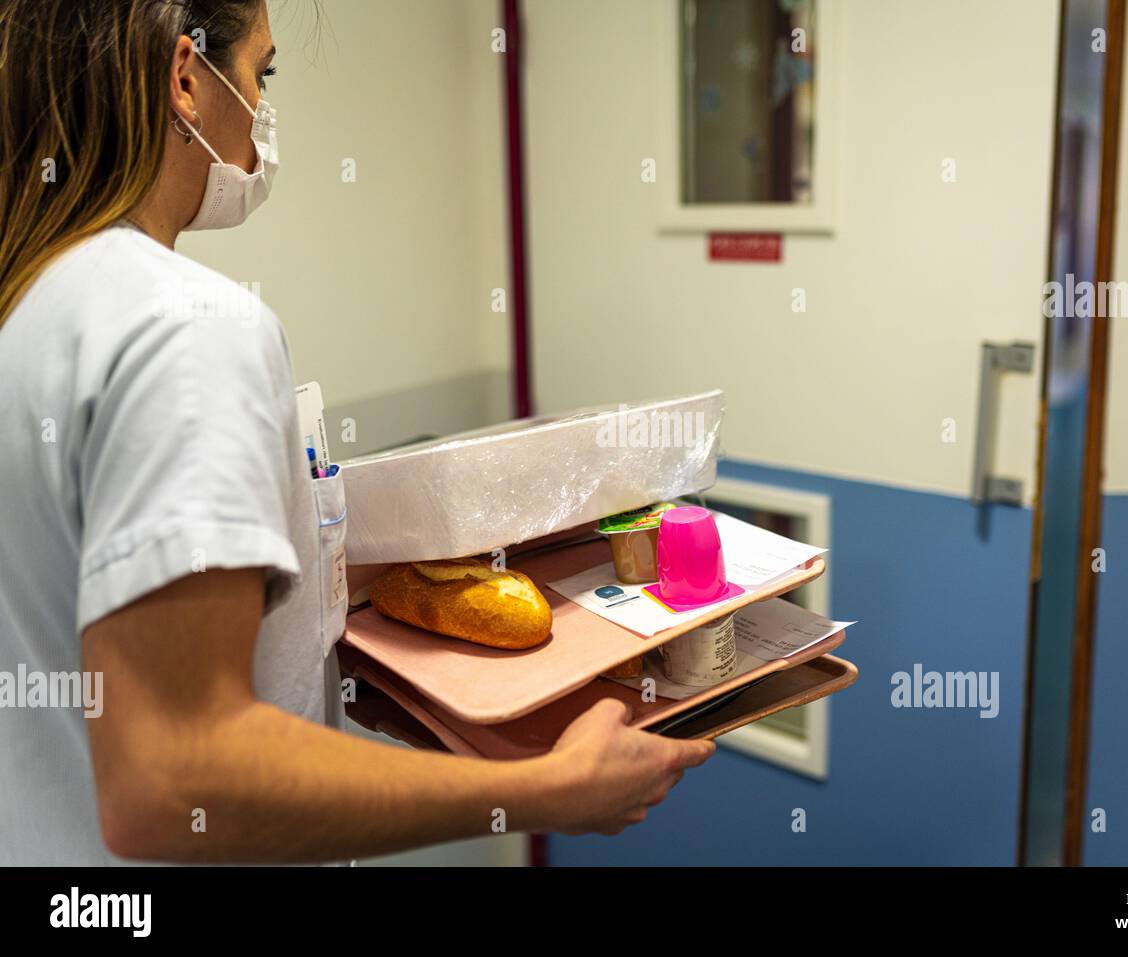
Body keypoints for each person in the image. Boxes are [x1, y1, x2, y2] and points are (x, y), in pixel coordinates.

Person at [0, 0, 713, 865]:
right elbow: (173, 779)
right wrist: (545, 789)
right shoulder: (184, 329)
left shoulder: (30, 312)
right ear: (187, 80)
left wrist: (331, 646)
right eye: (261, 75)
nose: (262, 112)